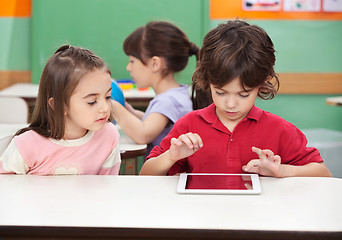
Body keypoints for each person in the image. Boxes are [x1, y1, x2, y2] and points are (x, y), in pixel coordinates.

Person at [139, 20, 332, 178]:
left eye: (243, 94)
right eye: (221, 92)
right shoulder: (189, 125)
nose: (230, 104)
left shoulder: (279, 129)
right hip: (201, 220)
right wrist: (171, 157)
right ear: (208, 81)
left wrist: (282, 171)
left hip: (257, 222)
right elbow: (145, 175)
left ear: (263, 83)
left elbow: (323, 174)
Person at [0, 45, 121, 175]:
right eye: (92, 102)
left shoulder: (108, 136)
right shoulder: (26, 145)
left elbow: (107, 188)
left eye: (108, 97)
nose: (105, 108)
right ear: (59, 105)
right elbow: (6, 189)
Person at [111, 21, 199, 156]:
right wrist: (130, 112)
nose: (129, 67)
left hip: (167, 175)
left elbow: (143, 134)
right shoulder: (175, 95)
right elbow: (152, 121)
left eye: (132, 61)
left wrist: (113, 106)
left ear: (155, 63)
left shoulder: (168, 100)